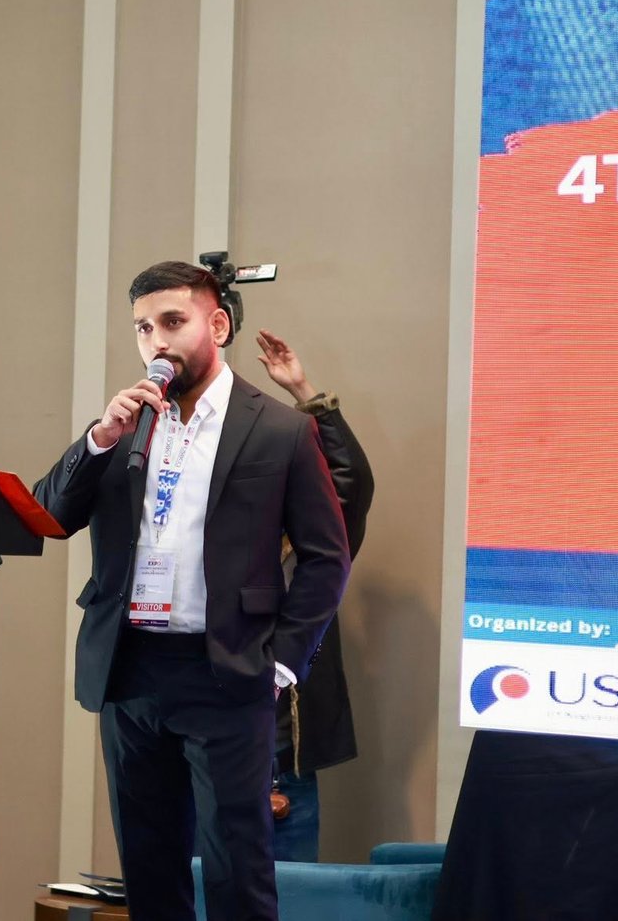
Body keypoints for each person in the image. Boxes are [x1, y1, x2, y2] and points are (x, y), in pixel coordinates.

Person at [34, 262, 351, 921]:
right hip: (130, 669)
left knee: (238, 872)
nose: (156, 340)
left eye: (172, 322)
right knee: (150, 870)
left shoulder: (279, 430)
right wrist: (99, 439)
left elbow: (326, 558)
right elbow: (48, 516)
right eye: (143, 328)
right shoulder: (125, 426)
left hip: (228, 671)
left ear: (218, 325)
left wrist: (282, 664)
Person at [253, 329, 373, 863]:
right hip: (204, 747)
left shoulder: (307, 549)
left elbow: (352, 482)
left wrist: (305, 394)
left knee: (289, 894)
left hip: (282, 761)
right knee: (198, 892)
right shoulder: (212, 537)